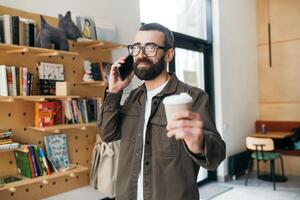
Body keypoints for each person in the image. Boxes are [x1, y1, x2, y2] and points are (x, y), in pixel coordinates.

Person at [98, 23, 226, 200]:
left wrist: (200, 144)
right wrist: (113, 92)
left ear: (169, 54)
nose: (141, 54)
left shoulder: (193, 98)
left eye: (150, 47)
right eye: (136, 48)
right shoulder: (133, 98)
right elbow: (108, 133)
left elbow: (216, 157)